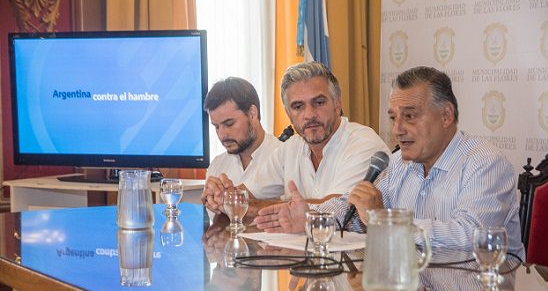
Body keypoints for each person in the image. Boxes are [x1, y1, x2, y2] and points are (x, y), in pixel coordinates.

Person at [256, 66, 525, 257]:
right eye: (393, 117)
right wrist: (313, 219)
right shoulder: (398, 163)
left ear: (446, 115)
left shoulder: (485, 164)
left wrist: (383, 220)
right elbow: (352, 204)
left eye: (409, 116)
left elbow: (471, 238)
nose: (397, 130)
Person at [203, 61, 389, 215]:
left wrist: (247, 205)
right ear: (289, 114)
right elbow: (246, 193)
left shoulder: (363, 144)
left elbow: (334, 210)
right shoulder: (290, 148)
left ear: (337, 104)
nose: (309, 114)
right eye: (298, 106)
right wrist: (220, 194)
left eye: (318, 102)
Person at [201, 77, 282, 216]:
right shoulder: (217, 165)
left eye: (229, 124)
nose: (222, 135)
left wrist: (229, 200)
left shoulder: (285, 158)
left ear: (252, 114)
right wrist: (210, 200)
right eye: (216, 127)